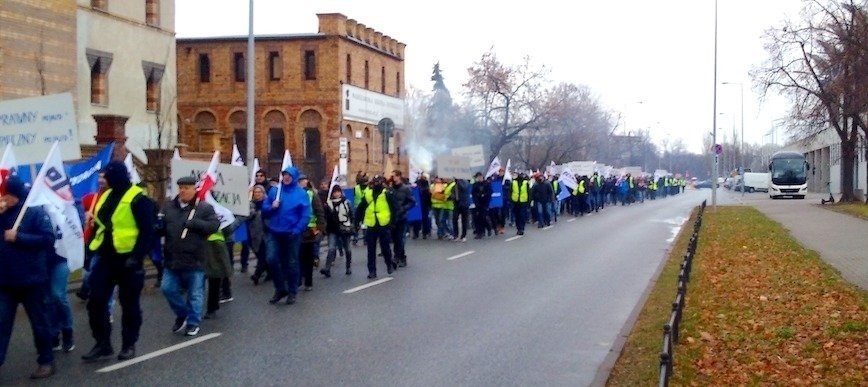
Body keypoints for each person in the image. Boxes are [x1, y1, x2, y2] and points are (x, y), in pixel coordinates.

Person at [82, 161, 155, 363]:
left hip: (129, 261)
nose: (104, 180)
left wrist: (137, 257)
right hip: (106, 258)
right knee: (95, 302)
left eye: (107, 176)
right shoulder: (105, 196)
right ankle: (103, 344)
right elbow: (103, 225)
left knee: (129, 305)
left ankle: (128, 344)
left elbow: (148, 232)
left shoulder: (139, 199)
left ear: (117, 176)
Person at [0, 175, 57, 379]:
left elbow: (48, 239)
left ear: (14, 194)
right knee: (1, 324)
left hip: (32, 280)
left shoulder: (34, 213)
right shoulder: (2, 214)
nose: (2, 197)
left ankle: (46, 361)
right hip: (6, 281)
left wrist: (19, 237)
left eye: (5, 194)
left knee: (39, 323)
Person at [159, 176, 219, 336]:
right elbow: (161, 227)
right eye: (181, 187)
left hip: (195, 258)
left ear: (194, 189)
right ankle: (182, 313)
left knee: (195, 293)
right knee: (167, 288)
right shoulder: (168, 208)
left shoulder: (204, 208)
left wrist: (196, 224)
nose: (183, 191)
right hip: (172, 258)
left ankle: (193, 322)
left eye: (187, 188)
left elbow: (214, 226)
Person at [262, 166, 310, 305]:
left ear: (294, 177)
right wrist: (272, 207)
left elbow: (305, 214)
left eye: (289, 175)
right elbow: (264, 210)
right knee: (271, 259)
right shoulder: (275, 191)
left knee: (292, 263)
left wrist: (297, 229)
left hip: (291, 234)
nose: (286, 177)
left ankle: (292, 291)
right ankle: (280, 288)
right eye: (284, 175)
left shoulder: (301, 194)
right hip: (274, 232)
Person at [354, 175, 396, 279]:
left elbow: (393, 208)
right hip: (371, 224)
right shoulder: (368, 193)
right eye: (375, 182)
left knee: (385, 247)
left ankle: (389, 264)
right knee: (371, 249)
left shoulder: (387, 193)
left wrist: (392, 223)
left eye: (378, 182)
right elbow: (360, 208)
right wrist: (356, 223)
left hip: (383, 223)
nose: (376, 184)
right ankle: (372, 271)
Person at [298, 175, 325, 292]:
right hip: (295, 229)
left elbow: (319, 210)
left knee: (307, 257)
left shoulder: (311, 194)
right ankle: (298, 279)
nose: (301, 183)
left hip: (309, 229)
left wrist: (320, 227)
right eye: (299, 181)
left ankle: (308, 281)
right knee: (297, 256)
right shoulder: (291, 194)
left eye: (302, 181)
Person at [321, 185, 354, 276]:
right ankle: (327, 268)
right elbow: (326, 217)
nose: (336, 194)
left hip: (345, 228)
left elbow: (351, 215)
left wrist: (352, 225)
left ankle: (348, 267)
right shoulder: (328, 204)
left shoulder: (346, 202)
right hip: (333, 229)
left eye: (338, 192)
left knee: (347, 248)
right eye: (335, 192)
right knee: (331, 248)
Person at [389, 171, 415, 266]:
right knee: (395, 238)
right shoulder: (391, 189)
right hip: (393, 217)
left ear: (399, 177)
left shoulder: (405, 189)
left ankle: (399, 257)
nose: (393, 177)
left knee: (400, 238)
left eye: (394, 176)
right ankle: (399, 256)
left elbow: (412, 202)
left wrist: (404, 208)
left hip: (402, 217)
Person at [248, 184, 270, 285]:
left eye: (259, 192)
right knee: (258, 253)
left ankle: (257, 274)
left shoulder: (267, 203)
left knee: (263, 254)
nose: (257, 194)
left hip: (265, 232)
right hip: (253, 233)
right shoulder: (251, 204)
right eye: (255, 192)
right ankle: (270, 271)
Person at [470, 172, 492, 239]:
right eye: (478, 177)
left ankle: (488, 227)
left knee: (483, 217)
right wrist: (476, 201)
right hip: (477, 204)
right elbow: (473, 194)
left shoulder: (487, 184)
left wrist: (484, 195)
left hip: (485, 203)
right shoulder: (475, 185)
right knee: (477, 218)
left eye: (480, 177)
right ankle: (479, 232)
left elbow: (489, 193)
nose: (479, 178)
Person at [410, 173, 431, 239]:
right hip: (422, 204)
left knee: (421, 219)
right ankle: (422, 233)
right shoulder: (425, 185)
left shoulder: (421, 184)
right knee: (422, 219)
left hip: (421, 204)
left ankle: (419, 233)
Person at [451, 176, 470, 242]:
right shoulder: (455, 183)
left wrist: (458, 181)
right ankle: (456, 235)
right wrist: (452, 196)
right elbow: (453, 191)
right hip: (456, 204)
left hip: (464, 204)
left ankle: (463, 235)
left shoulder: (465, 182)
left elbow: (464, 188)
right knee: (454, 219)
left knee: (464, 220)